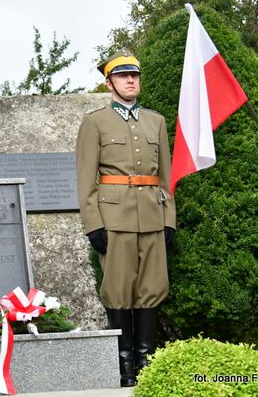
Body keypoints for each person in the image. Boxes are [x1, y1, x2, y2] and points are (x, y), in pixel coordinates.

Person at [75, 50, 176, 387]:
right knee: (118, 290)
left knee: (152, 288)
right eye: (122, 76)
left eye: (134, 75)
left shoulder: (156, 121)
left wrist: (169, 220)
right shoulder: (95, 122)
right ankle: (124, 367)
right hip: (114, 219)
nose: (131, 80)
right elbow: (86, 177)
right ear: (109, 82)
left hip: (151, 215)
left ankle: (146, 363)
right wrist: (93, 223)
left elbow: (166, 177)